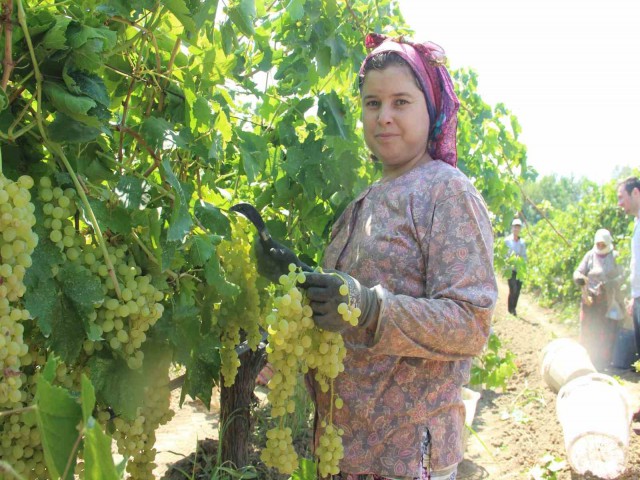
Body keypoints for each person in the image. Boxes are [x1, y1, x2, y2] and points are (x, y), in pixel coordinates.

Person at [256, 33, 497, 480]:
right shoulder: (362, 203)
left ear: (431, 109)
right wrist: (296, 273)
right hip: (344, 449)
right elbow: (341, 306)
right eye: (372, 103)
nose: (383, 117)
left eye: (401, 102)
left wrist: (371, 308)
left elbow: (472, 323)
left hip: (405, 454)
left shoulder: (447, 193)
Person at [572, 229, 623, 369]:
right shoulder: (590, 255)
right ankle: (588, 360)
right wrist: (579, 278)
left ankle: (604, 361)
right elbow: (578, 271)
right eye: (598, 244)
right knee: (588, 329)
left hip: (607, 300)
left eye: (603, 244)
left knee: (605, 331)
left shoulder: (615, 256)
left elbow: (623, 275)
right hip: (590, 299)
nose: (600, 247)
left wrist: (611, 283)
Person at [617, 176, 640, 364]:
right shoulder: (636, 224)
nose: (619, 203)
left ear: (635, 193)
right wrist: (635, 296)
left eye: (621, 197)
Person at [504, 218, 527, 316]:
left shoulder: (522, 242)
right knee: (512, 289)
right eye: (515, 227)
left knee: (517, 290)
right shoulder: (507, 241)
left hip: (519, 269)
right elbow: (505, 255)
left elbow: (524, 256)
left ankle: (514, 308)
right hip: (510, 269)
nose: (516, 229)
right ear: (512, 228)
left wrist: (521, 262)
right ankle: (510, 309)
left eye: (518, 227)